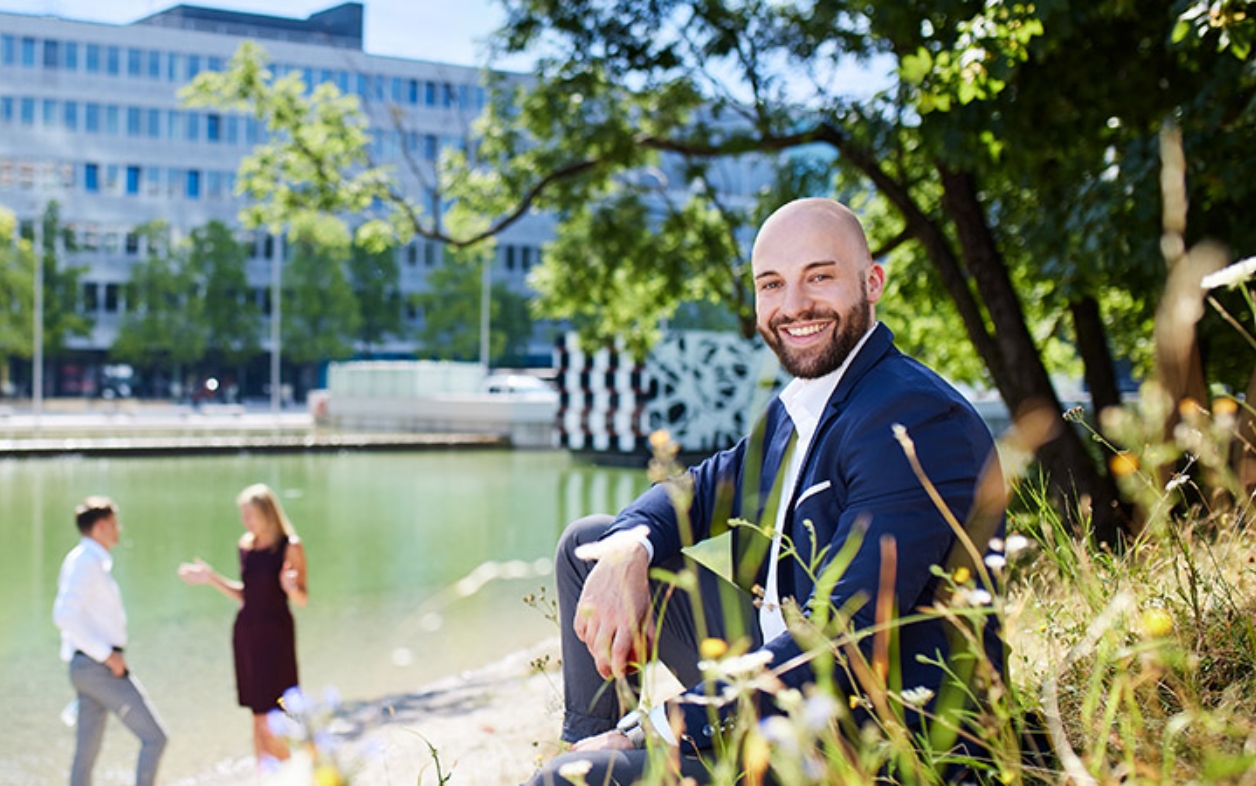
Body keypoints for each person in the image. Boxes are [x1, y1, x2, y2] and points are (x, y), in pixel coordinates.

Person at [530, 198, 1006, 784]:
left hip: (869, 738)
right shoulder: (800, 406)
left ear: (873, 282)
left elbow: (839, 641)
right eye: (772, 284)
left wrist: (650, 726)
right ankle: (581, 742)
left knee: (566, 784)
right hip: (781, 668)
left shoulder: (912, 419)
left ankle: (588, 759)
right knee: (594, 547)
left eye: (820, 277)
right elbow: (698, 490)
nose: (794, 305)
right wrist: (632, 545)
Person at [177, 483, 308, 763]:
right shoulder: (245, 546)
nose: (244, 520)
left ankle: (288, 774)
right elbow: (246, 595)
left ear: (267, 513)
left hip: (276, 636)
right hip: (247, 634)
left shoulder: (289, 547)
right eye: (243, 514)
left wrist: (290, 587)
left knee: (276, 713)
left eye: (249, 514)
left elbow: (302, 599)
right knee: (257, 715)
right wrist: (210, 578)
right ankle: (264, 776)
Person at [53, 496, 168, 786]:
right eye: (115, 524)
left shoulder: (85, 559)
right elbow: (64, 615)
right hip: (98, 667)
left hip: (87, 667)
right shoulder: (86, 562)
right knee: (155, 738)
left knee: (85, 753)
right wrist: (107, 656)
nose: (119, 530)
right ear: (101, 526)